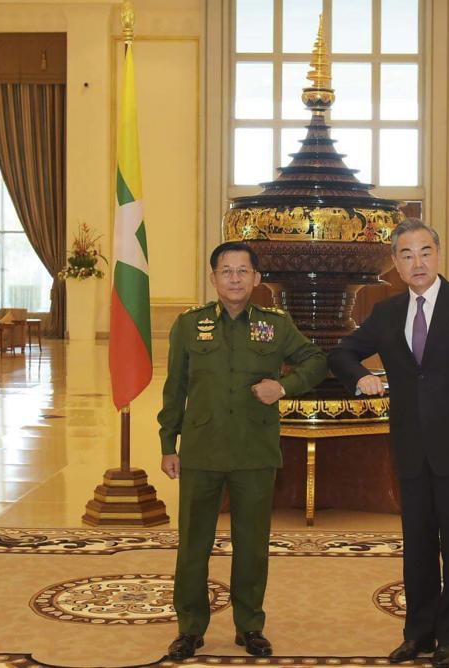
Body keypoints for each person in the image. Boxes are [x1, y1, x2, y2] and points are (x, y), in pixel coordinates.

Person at [327, 218, 449, 667]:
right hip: (409, 450)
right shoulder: (386, 313)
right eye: (406, 255)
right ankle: (418, 635)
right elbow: (341, 352)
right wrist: (361, 376)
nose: (417, 262)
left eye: (424, 252)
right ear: (395, 264)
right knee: (418, 546)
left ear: (438, 255)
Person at [158, 241, 327, 661]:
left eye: (242, 271)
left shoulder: (275, 324)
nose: (234, 278)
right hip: (202, 450)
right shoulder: (188, 325)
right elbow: (175, 388)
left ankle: (250, 626)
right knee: (193, 544)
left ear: (255, 279)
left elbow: (316, 361)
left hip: (254, 451)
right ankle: (190, 628)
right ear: (213, 278)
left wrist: (283, 387)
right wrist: (168, 444)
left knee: (252, 544)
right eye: (226, 271)